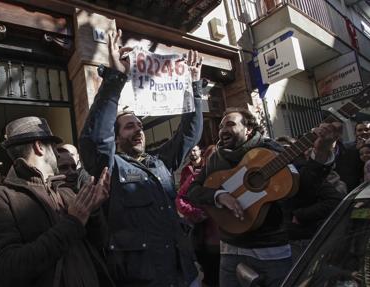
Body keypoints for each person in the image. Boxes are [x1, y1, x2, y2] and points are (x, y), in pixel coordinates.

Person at [79, 29, 205, 287]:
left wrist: (194, 86)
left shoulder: (160, 162)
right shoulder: (111, 167)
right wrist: (116, 78)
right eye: (129, 126)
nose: (138, 129)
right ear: (115, 138)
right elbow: (95, 140)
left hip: (183, 273)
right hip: (144, 279)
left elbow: (189, 134)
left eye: (139, 125)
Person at [185, 108, 337, 287]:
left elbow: (306, 190)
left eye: (230, 124)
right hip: (229, 249)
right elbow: (193, 191)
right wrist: (219, 195)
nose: (222, 130)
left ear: (248, 129)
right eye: (220, 126)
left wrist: (321, 152)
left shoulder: (271, 150)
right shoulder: (215, 159)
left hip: (271, 250)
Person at [0, 116, 114, 287]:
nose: (57, 153)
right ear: (39, 147)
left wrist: (94, 210)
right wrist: (73, 222)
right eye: (53, 147)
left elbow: (100, 242)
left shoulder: (66, 191)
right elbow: (6, 271)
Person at [177, 144, 220, 287]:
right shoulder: (195, 176)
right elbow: (180, 198)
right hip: (208, 238)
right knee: (211, 276)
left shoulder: (231, 174)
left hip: (233, 239)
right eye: (211, 159)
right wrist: (194, 212)